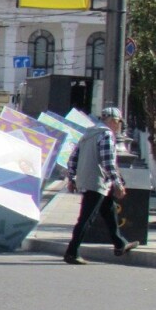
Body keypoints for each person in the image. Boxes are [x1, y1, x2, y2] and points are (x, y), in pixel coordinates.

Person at [63, 106, 140, 265]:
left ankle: (120, 244)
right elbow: (108, 162)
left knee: (109, 210)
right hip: (97, 181)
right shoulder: (106, 135)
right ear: (112, 121)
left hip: (88, 180)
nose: (119, 126)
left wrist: (71, 178)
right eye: (118, 122)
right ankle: (72, 252)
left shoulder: (88, 134)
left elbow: (72, 158)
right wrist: (118, 183)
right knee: (86, 219)